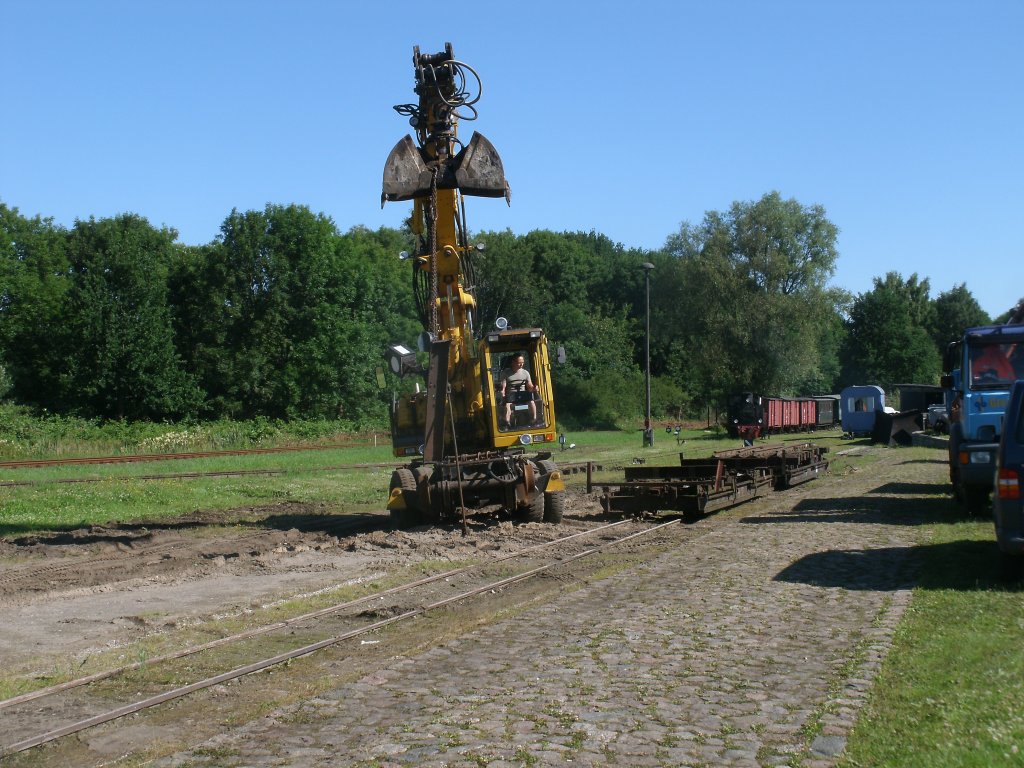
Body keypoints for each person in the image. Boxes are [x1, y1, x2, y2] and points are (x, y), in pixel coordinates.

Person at [499, 354, 539, 427]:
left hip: (523, 395)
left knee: (532, 402)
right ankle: (506, 423)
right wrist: (503, 394)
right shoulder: (506, 373)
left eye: (523, 362)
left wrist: (534, 388)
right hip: (511, 396)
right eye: (519, 362)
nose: (521, 364)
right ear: (513, 362)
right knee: (507, 405)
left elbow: (529, 386)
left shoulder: (525, 373)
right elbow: (503, 386)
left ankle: (534, 420)